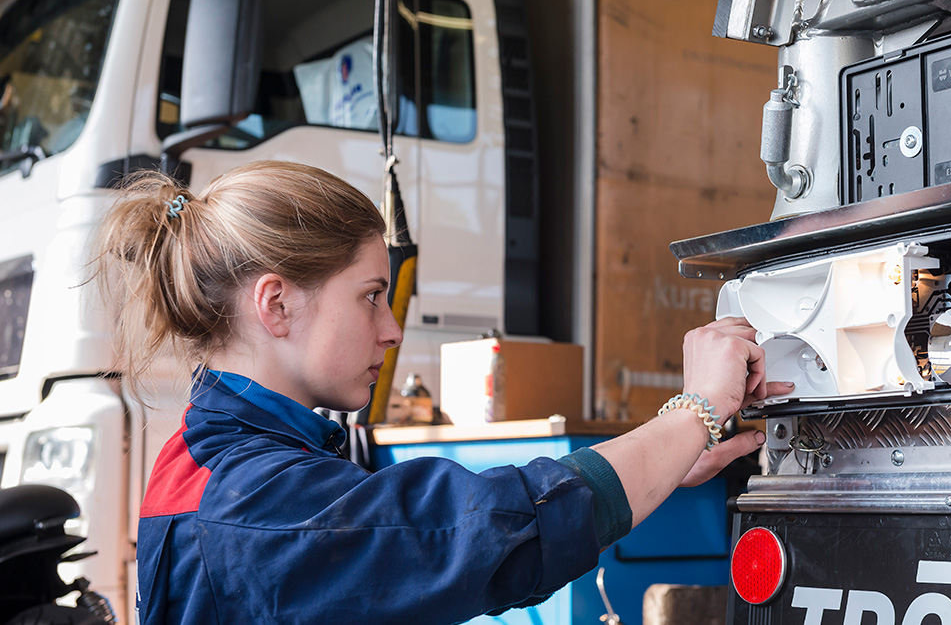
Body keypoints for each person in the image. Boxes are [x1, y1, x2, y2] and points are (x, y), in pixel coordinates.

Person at [92, 160, 792, 625]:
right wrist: (691, 410)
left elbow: (422, 518)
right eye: (371, 297)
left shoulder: (211, 458)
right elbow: (486, 527)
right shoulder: (254, 505)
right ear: (275, 304)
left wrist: (669, 453)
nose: (392, 329)